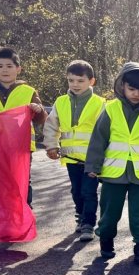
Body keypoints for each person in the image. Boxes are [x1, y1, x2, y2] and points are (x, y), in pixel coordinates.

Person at [85, 62, 139, 265]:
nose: (136, 94)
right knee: (109, 212)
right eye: (131, 89)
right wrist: (93, 166)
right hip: (113, 173)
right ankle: (106, 239)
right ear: (122, 86)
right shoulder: (111, 109)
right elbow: (98, 139)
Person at [0, 46, 47, 206]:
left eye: (9, 66)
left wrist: (38, 109)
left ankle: (24, 212)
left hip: (22, 147)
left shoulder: (28, 91)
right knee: (0, 180)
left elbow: (41, 118)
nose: (4, 70)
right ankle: (5, 213)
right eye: (0, 66)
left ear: (18, 69)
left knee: (22, 178)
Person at [42, 60, 106, 242]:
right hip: (70, 157)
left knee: (89, 191)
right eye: (71, 80)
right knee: (76, 191)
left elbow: (105, 131)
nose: (75, 84)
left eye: (80, 80)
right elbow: (51, 125)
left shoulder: (100, 103)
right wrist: (51, 145)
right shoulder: (61, 102)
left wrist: (103, 156)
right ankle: (80, 215)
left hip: (91, 159)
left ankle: (88, 224)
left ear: (91, 81)